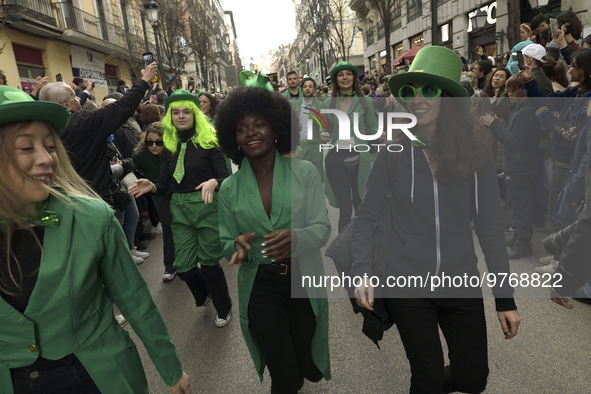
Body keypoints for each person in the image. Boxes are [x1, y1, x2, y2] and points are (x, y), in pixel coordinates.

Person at [0, 85, 190, 393]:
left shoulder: (90, 217)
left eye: (50, 146)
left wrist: (171, 368)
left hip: (97, 377)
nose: (46, 159)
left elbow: (135, 299)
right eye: (25, 147)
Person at [352, 46, 520, 393]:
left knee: (473, 379)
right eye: (410, 92)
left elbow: (490, 227)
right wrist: (362, 269)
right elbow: (365, 218)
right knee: (426, 377)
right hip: (406, 283)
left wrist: (505, 298)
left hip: (461, 283)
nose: (417, 100)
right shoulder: (392, 152)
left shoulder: (476, 154)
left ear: (446, 97)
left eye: (428, 90)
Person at [215, 84, 331, 393]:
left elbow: (322, 228)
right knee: (287, 376)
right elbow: (226, 240)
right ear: (233, 138)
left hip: (303, 281)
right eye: (241, 129)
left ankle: (302, 360)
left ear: (277, 128)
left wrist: (297, 237)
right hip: (260, 285)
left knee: (310, 368)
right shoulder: (229, 188)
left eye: (259, 124)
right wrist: (235, 246)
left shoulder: (304, 172)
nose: (251, 133)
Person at [128, 89, 232, 327]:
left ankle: (224, 307)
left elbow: (226, 178)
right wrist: (152, 186)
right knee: (183, 267)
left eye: (186, 111)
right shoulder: (169, 146)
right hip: (180, 208)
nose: (181, 116)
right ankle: (204, 295)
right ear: (170, 117)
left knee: (208, 263)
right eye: (176, 112)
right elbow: (165, 185)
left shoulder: (209, 141)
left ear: (195, 114)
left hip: (206, 205)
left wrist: (215, 182)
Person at [481, 73, 542, 259]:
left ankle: (523, 243)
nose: (508, 93)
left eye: (512, 89)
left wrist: (496, 125)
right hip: (517, 165)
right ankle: (519, 239)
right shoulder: (519, 110)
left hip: (520, 166)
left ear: (523, 90)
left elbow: (514, 142)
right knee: (517, 206)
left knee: (521, 206)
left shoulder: (526, 112)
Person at [321, 61, 380, 232]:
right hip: (336, 159)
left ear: (354, 77)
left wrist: (381, 134)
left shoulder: (365, 102)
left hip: (359, 158)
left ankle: (362, 248)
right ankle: (343, 256)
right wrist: (322, 135)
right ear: (335, 79)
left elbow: (373, 127)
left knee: (361, 205)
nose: (345, 77)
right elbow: (323, 129)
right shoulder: (327, 104)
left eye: (348, 73)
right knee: (345, 210)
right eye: (340, 74)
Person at [133, 122, 176, 281]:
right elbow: (136, 164)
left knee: (184, 225)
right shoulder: (140, 155)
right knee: (168, 227)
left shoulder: (174, 151)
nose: (153, 145)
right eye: (149, 141)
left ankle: (187, 259)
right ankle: (169, 266)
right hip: (159, 194)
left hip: (178, 192)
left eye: (158, 142)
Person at [292, 76, 324, 180]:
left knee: (316, 174)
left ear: (314, 89)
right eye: (305, 86)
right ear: (301, 89)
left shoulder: (320, 105)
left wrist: (317, 116)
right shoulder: (294, 104)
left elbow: (324, 125)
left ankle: (317, 195)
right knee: (300, 174)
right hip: (299, 145)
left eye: (310, 86)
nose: (307, 89)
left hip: (314, 144)